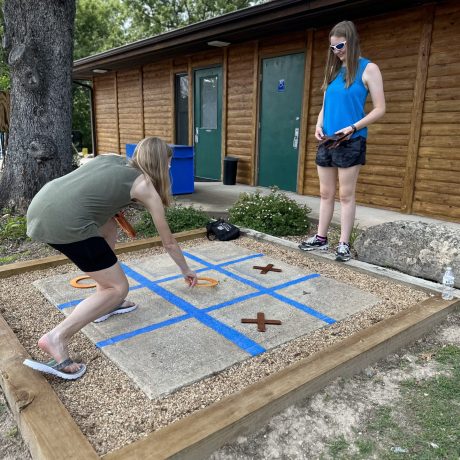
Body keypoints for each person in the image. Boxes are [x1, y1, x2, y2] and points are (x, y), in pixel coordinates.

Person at [24, 137, 198, 380]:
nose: (169, 168)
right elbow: (168, 242)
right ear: (160, 163)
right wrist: (186, 270)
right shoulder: (145, 186)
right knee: (119, 287)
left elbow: (92, 189)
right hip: (64, 223)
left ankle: (106, 302)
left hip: (42, 204)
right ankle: (56, 338)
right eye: (169, 163)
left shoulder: (111, 157)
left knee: (109, 227)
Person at [299, 20, 385, 261]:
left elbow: (380, 109)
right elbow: (326, 106)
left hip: (351, 140)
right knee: (325, 193)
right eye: (333, 48)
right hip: (327, 140)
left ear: (351, 41)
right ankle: (320, 238)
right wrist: (317, 124)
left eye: (340, 46)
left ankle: (344, 244)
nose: (336, 51)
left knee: (346, 195)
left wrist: (353, 127)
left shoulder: (369, 69)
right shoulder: (334, 72)